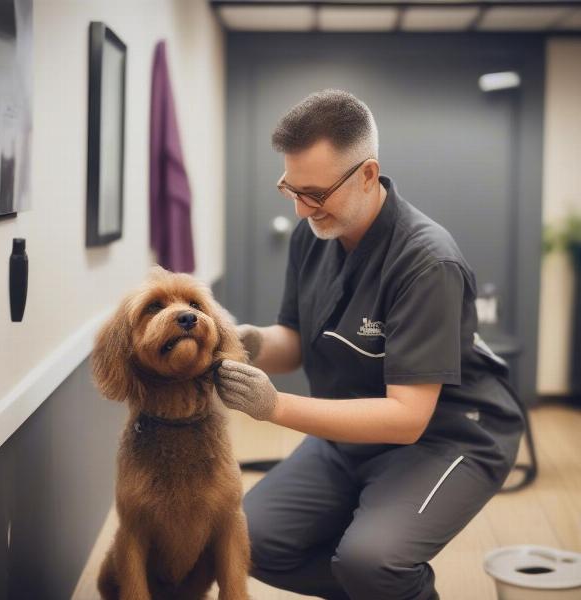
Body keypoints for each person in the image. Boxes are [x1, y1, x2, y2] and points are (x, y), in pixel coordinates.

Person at [213, 89, 525, 600]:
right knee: (248, 540)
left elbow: (407, 418)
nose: (299, 208)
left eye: (314, 192)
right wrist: (248, 342)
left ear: (367, 173)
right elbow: (295, 340)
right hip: (352, 430)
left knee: (371, 561)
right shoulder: (313, 233)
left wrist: (274, 406)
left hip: (447, 436)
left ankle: (384, 584)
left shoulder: (427, 262)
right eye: (289, 189)